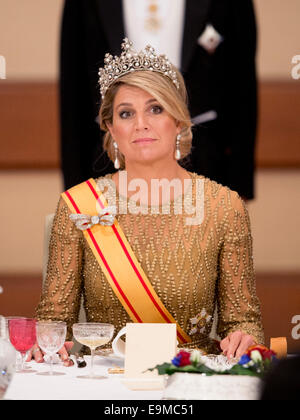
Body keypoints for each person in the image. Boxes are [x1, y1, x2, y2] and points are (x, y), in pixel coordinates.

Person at [31, 40, 264, 364]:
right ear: (111, 128)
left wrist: (244, 338)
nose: (141, 123)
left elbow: (243, 323)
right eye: (126, 113)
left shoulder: (224, 206)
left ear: (179, 120)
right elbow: (55, 326)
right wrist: (49, 348)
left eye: (156, 109)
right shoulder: (80, 204)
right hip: (105, 380)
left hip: (190, 378)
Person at [60, 0, 258, 200]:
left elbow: (243, 89)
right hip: (106, 172)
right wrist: (75, 190)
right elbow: (72, 94)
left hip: (207, 166)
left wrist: (240, 187)